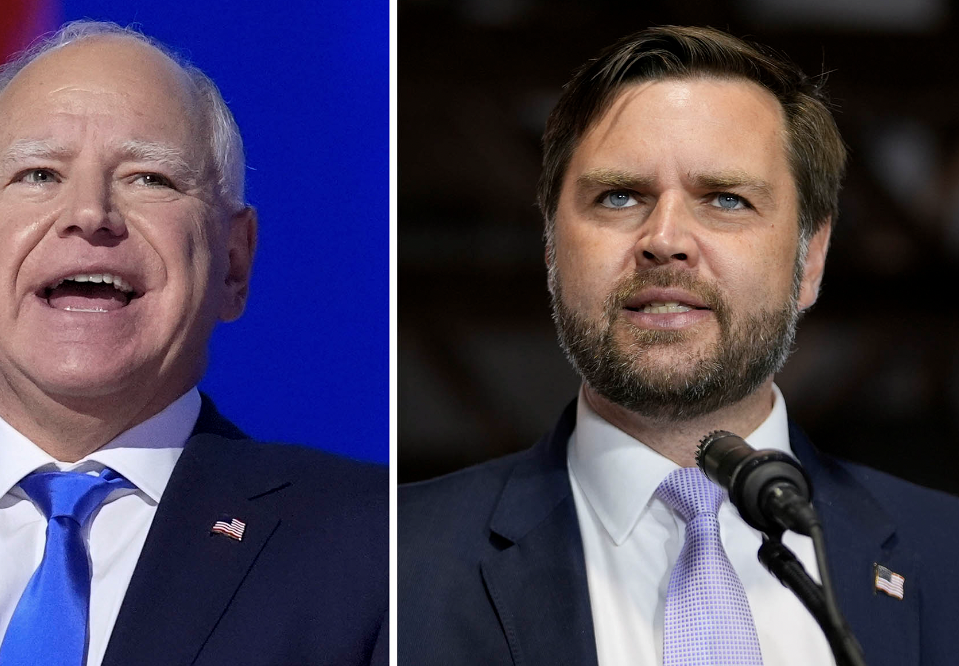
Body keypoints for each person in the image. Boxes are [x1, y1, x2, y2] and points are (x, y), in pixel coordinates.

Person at [0, 21, 387, 666]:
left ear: (233, 263)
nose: (89, 213)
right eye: (38, 174)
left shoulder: (376, 545)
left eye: (149, 178)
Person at [399, 25, 959, 665]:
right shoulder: (392, 562)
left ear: (812, 258)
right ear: (552, 248)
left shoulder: (947, 558)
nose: (665, 238)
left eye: (726, 199)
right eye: (618, 196)